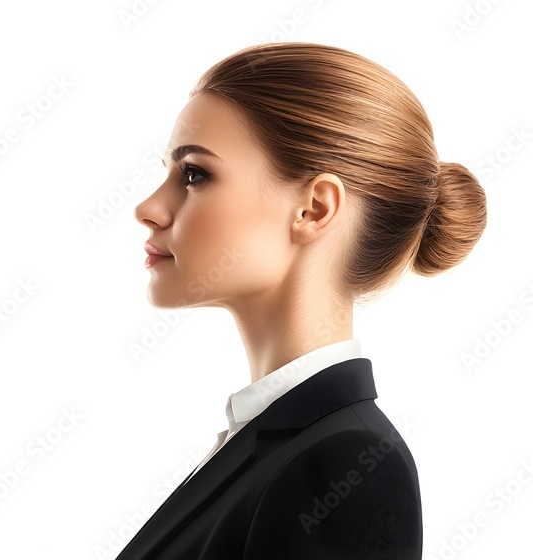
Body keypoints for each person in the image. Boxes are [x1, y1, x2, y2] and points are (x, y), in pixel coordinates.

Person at [122, 42, 487, 559]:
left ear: (314, 209)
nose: (148, 208)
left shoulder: (345, 466)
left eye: (195, 174)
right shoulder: (273, 441)